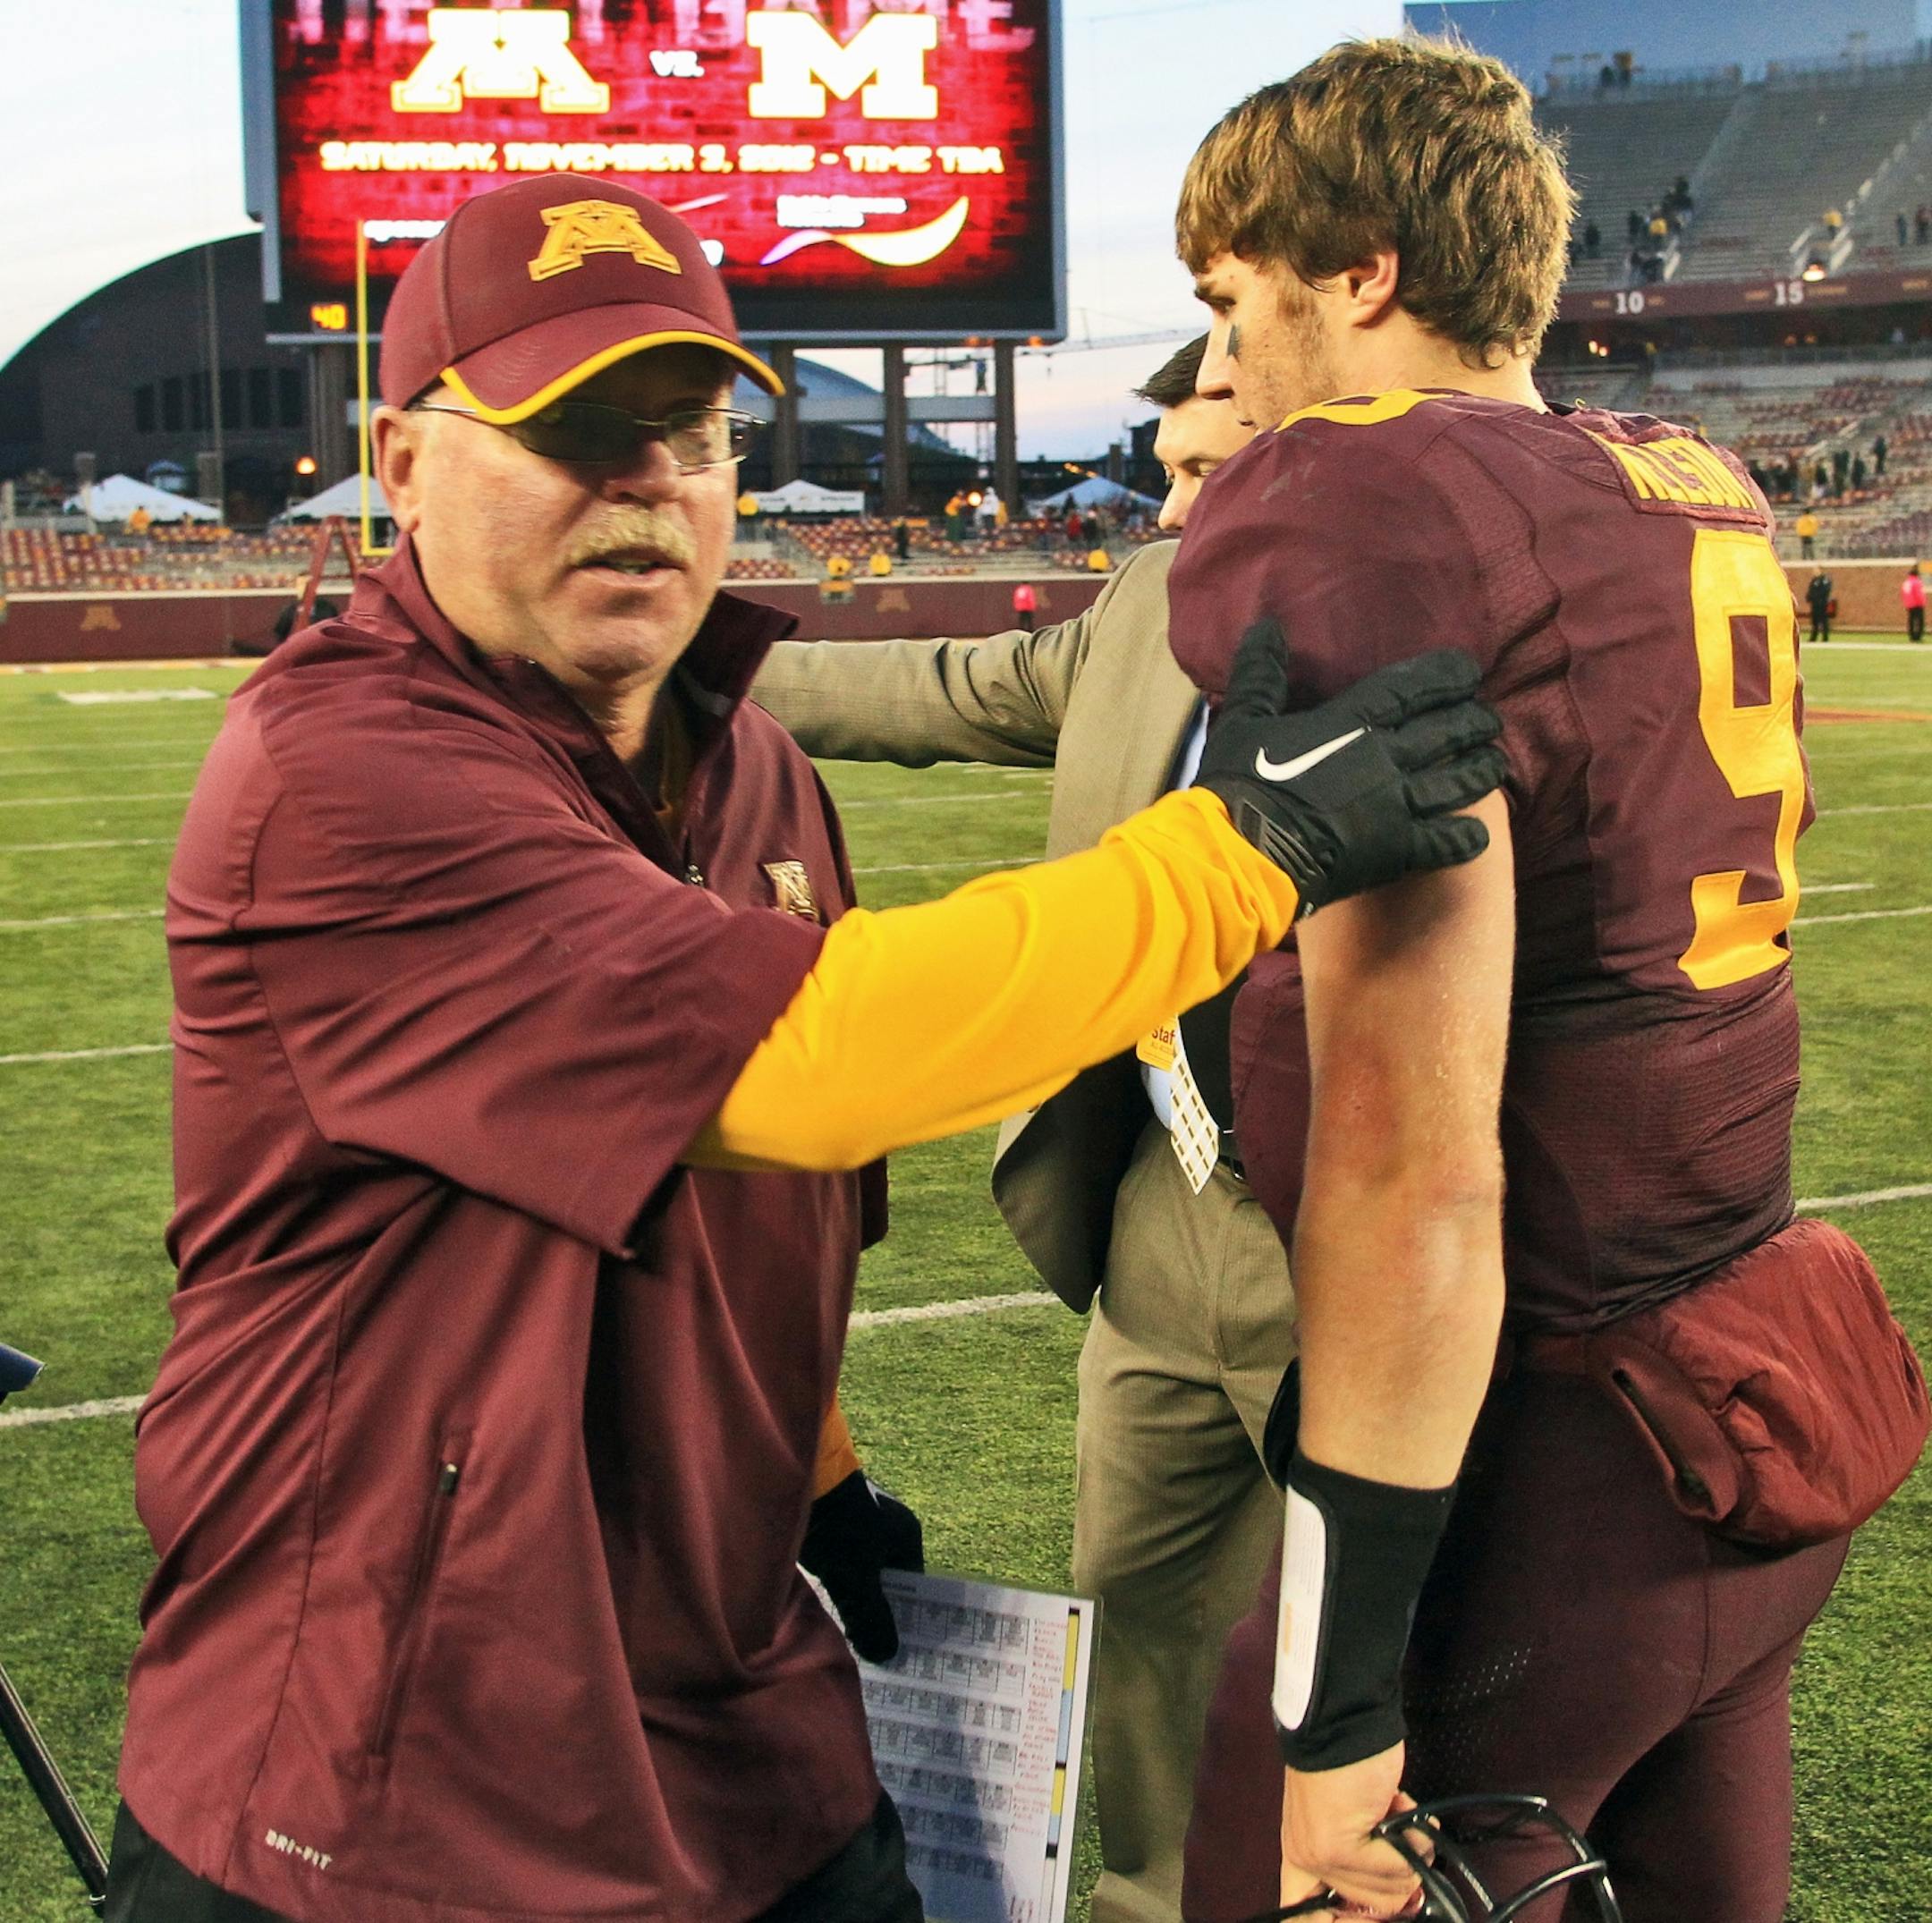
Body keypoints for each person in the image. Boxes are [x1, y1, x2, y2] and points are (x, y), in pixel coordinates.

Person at [101, 175, 1509, 1923]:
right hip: (398, 1775)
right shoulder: (340, 774)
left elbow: (767, 1235)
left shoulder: (753, 769)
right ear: (399, 462)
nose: (647, 483)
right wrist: (1243, 852)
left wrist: (832, 1494)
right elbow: (810, 1058)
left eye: (689, 432)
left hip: (745, 1718)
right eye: (571, 431)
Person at [1171, 38, 1924, 1923]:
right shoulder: (1680, 476)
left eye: (1232, 299)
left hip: (1544, 1432)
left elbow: (1413, 1168)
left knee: (1258, 1856)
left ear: (1359, 277)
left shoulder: (1369, 496)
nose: (1220, 364)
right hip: (1735, 1390)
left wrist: (1336, 1700)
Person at [755, 337, 1283, 1923]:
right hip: (1158, 1196)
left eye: (1219, 465)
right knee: (1147, 1623)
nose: (1181, 508)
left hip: (1363, 1218)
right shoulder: (1144, 605)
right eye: (1175, 469)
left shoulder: (1445, 599)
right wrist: (655, 660)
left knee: (1398, 1659)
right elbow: (936, 688)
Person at [1807, 567, 1834, 642]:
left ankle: (1825, 638)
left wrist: (1817, 597)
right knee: (1814, 621)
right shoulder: (1814, 580)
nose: (1814, 572)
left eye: (1816, 570)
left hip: (1822, 604)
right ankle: (1813, 637)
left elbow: (1825, 591)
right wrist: (1809, 597)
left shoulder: (1825, 580)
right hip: (1815, 604)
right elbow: (1811, 590)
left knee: (1824, 621)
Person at [1903, 561, 1926, 641]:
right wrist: (1922, 602)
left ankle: (1912, 636)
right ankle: (1918, 636)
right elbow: (1919, 594)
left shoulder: (1907, 582)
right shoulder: (1917, 582)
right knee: (1920, 621)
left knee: (1911, 621)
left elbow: (1905, 593)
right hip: (1917, 604)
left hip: (1909, 605)